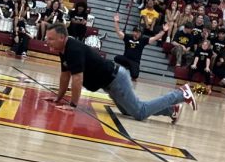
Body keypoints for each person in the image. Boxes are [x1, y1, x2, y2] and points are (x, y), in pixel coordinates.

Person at [44, 24, 195, 124]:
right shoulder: (64, 50)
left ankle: (180, 94)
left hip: (116, 80)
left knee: (140, 112)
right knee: (128, 111)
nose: (47, 41)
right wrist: (58, 98)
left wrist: (73, 104)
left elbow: (77, 78)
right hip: (110, 83)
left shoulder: (73, 49)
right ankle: (171, 109)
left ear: (62, 38)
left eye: (50, 39)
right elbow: (65, 75)